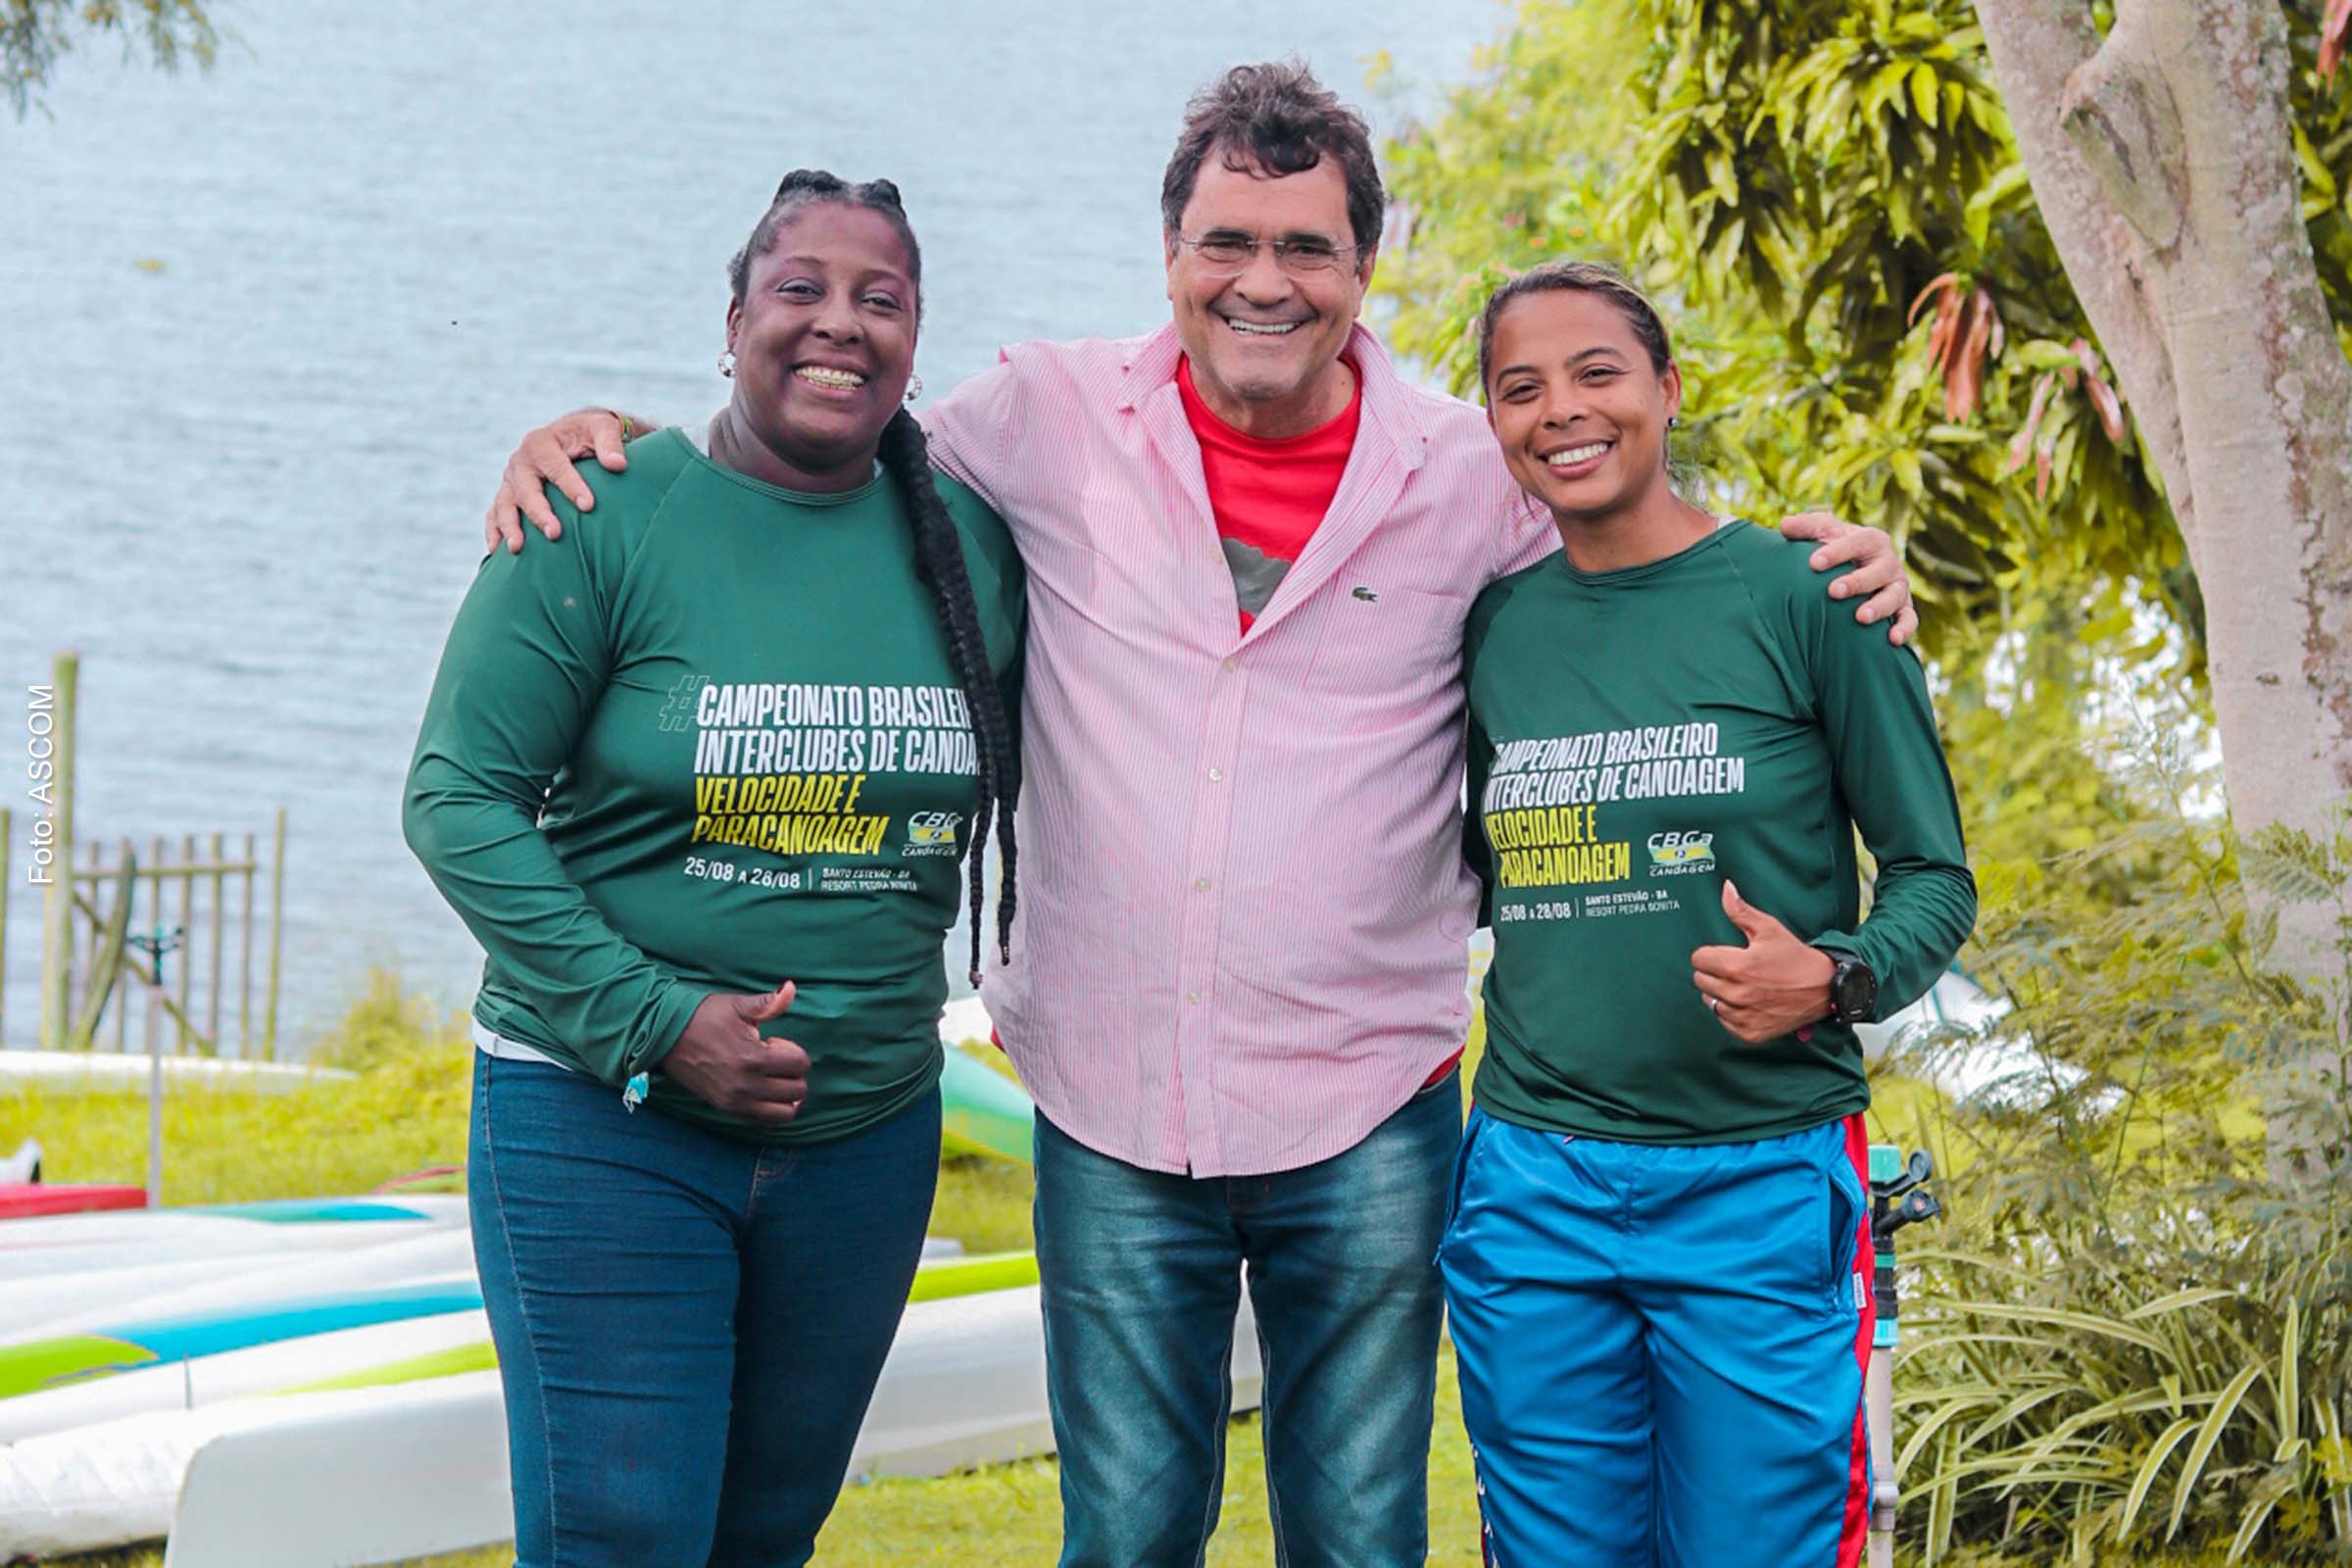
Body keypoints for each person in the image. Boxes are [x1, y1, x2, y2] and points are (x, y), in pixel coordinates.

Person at [480, 65, 1921, 1567]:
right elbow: (822, 430)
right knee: (1125, 1539)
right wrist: (616, 444)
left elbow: (1639, 537)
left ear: (1366, 271)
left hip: (1368, 1102)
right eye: (1227, 242)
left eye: (1306, 248)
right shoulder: (1041, 418)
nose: (1263, 281)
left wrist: (1838, 561)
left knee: (1362, 1540)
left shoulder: (1462, 474)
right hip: (1109, 1104)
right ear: (1169, 254)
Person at [403, 170, 1024, 1568]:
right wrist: (656, 1023)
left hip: (864, 1145)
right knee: (622, 1535)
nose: (839, 325)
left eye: (882, 299)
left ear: (918, 338)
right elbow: (456, 799)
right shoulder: (604, 512)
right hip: (601, 1123)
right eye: (800, 288)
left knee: (762, 1539)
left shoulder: (971, 555)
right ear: (734, 316)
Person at [1444, 260, 1978, 1567]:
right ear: (1496, 427)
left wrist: (1837, 980)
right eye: (1521, 390)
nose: (1561, 411)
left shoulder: (1811, 596)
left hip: (1758, 1173)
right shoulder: (1492, 630)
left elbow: (1935, 880)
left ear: (1668, 391)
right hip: (1535, 1181)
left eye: (1596, 374)